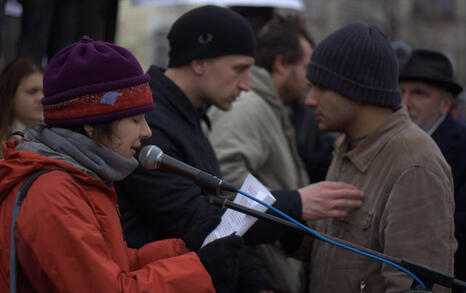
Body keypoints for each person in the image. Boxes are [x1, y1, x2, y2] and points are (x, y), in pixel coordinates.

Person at [115, 5, 364, 292]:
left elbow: (223, 238)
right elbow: (198, 222)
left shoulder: (187, 115)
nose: (247, 85)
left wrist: (259, 286)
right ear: (199, 63)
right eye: (239, 69)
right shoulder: (151, 126)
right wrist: (294, 204)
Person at [0, 38, 248, 292]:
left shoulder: (79, 176)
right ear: (91, 124)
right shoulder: (53, 192)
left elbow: (112, 263)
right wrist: (200, 270)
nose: (147, 131)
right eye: (135, 119)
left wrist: (184, 248)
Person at [304, 23, 456, 292]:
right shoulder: (351, 145)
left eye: (321, 87)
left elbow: (415, 284)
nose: (310, 100)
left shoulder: (415, 165)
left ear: (359, 90)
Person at [207, 16, 312, 293]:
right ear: (281, 64)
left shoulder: (267, 106)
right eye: (305, 67)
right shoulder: (249, 107)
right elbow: (222, 179)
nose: (310, 79)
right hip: (259, 270)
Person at [398, 49, 466, 290]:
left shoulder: (461, 149)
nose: (405, 103)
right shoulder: (394, 143)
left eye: (418, 93)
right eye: (401, 92)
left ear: (445, 104)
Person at [0, 57, 43, 158]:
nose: (41, 98)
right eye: (32, 91)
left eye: (45, 92)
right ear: (10, 95)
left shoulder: (53, 137)